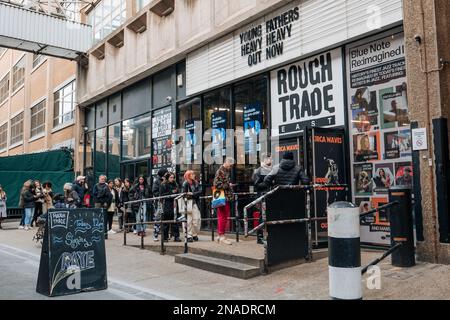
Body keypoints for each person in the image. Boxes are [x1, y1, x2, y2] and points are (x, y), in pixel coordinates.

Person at [213, 157, 235, 245]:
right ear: (226, 162)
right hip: (223, 197)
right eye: (230, 165)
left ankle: (219, 235)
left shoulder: (223, 171)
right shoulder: (221, 171)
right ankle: (222, 236)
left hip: (223, 197)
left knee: (221, 217)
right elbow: (216, 185)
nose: (231, 167)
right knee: (223, 217)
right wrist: (228, 185)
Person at [252, 154, 273, 244]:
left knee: (269, 216)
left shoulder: (270, 169)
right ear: (265, 160)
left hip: (269, 196)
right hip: (262, 197)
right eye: (270, 159)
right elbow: (257, 185)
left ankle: (268, 236)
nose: (271, 160)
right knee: (262, 217)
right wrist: (268, 182)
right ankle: (260, 237)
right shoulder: (259, 171)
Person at [181, 170, 202, 242]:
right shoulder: (185, 183)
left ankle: (194, 234)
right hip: (188, 203)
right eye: (192, 174)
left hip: (195, 203)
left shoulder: (196, 183)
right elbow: (184, 194)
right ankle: (189, 235)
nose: (194, 175)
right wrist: (190, 194)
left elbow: (200, 192)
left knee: (197, 219)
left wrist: (192, 194)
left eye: (194, 174)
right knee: (188, 220)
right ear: (188, 175)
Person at [160, 172, 181, 242]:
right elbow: (162, 195)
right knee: (166, 222)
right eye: (171, 177)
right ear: (167, 178)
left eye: (173, 177)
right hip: (167, 204)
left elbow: (178, 192)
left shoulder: (175, 184)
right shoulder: (163, 185)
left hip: (174, 203)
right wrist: (171, 192)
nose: (172, 179)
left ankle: (176, 236)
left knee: (175, 221)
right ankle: (165, 237)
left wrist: (175, 192)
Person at [152, 168, 168, 241]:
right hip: (159, 203)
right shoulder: (157, 181)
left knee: (165, 219)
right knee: (158, 219)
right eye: (165, 173)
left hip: (167, 202)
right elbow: (155, 192)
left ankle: (166, 235)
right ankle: (155, 235)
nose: (167, 174)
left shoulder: (167, 180)